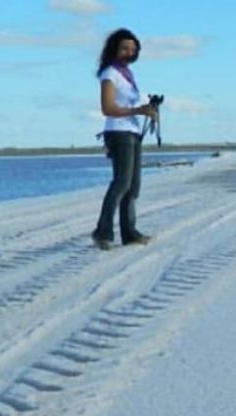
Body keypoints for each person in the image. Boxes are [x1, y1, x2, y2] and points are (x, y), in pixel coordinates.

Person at [92, 28, 157, 250]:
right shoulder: (110, 74)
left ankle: (129, 233)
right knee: (121, 183)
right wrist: (138, 110)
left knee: (132, 187)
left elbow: (131, 105)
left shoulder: (127, 75)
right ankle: (103, 232)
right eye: (125, 48)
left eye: (133, 49)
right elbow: (108, 108)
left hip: (132, 132)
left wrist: (148, 109)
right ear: (114, 49)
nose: (130, 52)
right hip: (119, 132)